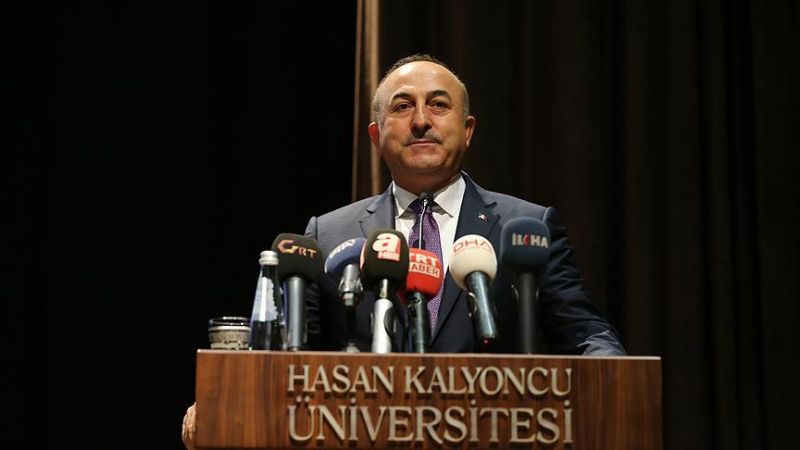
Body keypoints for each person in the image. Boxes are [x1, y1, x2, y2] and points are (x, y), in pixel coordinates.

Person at [181, 53, 625, 449]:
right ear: (376, 136)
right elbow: (289, 356)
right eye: (402, 107)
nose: (421, 121)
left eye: (439, 105)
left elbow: (584, 332)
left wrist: (619, 384)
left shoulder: (524, 226)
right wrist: (231, 398)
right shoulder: (329, 233)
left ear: (467, 131)